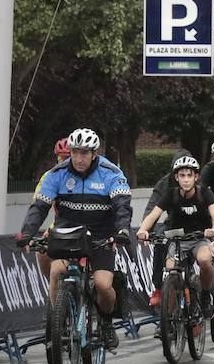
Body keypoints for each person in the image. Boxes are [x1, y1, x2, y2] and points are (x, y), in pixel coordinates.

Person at [20, 128, 131, 350]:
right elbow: (39, 207)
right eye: (75, 153)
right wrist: (26, 233)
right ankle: (57, 325)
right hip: (68, 233)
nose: (79, 159)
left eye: (84, 153)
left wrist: (122, 231)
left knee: (102, 284)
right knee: (56, 271)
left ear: (94, 153)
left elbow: (122, 206)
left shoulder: (111, 173)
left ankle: (106, 322)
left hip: (101, 235)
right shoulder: (57, 174)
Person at [137, 155, 214, 322]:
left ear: (196, 177)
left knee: (204, 260)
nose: (186, 180)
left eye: (190, 175)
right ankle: (168, 321)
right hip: (177, 240)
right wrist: (143, 230)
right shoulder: (171, 194)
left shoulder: (205, 193)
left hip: (199, 239)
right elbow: (154, 214)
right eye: (182, 176)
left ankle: (204, 295)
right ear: (176, 177)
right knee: (171, 272)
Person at [32, 138, 72, 286]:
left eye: (68, 158)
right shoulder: (50, 176)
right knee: (42, 252)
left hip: (87, 225)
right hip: (60, 224)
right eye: (61, 158)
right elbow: (37, 205)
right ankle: (54, 287)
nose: (64, 162)